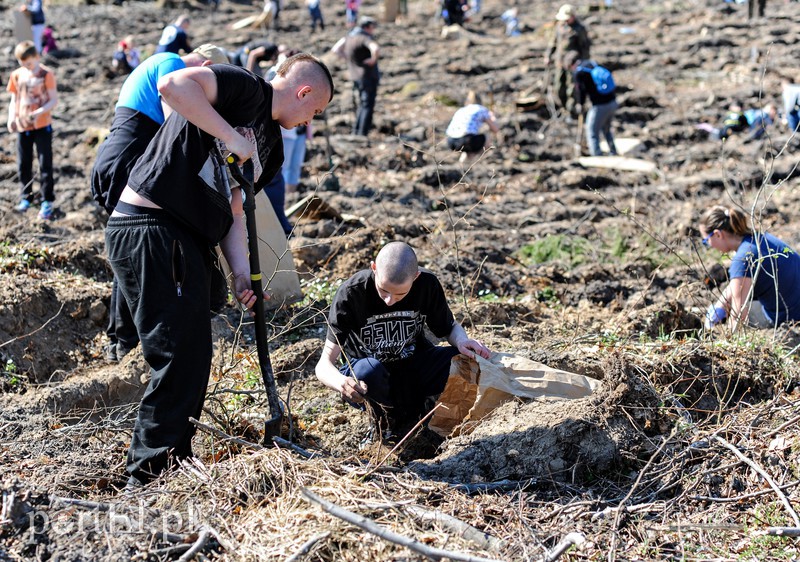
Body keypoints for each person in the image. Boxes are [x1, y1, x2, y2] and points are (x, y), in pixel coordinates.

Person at [106, 53, 333, 487]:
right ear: (303, 92)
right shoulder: (243, 87)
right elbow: (173, 86)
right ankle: (146, 476)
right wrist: (231, 136)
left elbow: (234, 207)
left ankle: (172, 461)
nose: (310, 121)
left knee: (194, 355)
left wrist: (241, 274)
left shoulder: (274, 147)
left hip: (187, 236)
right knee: (177, 354)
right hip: (150, 225)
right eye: (314, 111)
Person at [91, 44, 230, 363]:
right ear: (205, 67)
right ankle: (125, 340)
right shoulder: (170, 63)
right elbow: (179, 121)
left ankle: (121, 337)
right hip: (126, 165)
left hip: (120, 161)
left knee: (130, 253)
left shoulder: (157, 62)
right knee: (136, 250)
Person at [315, 241, 491, 440]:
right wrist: (341, 383)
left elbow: (448, 327)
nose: (389, 300)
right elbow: (323, 365)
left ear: (415, 278)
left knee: (466, 360)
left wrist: (462, 342)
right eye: (383, 291)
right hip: (371, 378)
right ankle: (384, 425)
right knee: (368, 371)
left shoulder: (426, 285)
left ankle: (430, 410)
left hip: (414, 365)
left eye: (400, 294)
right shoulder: (351, 293)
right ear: (374, 268)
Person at [700, 205, 800, 331]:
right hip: (795, 304)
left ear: (718, 234)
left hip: (790, 318)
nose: (709, 246)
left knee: (736, 311)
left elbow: (739, 314)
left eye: (706, 241)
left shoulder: (742, 259)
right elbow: (738, 282)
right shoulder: (757, 239)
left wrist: (727, 342)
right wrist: (720, 305)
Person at [7, 40, 58, 220]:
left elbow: (53, 100)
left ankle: (47, 200)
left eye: (29, 63)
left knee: (45, 164)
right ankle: (26, 197)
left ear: (36, 57)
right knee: (23, 163)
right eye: (23, 64)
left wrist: (39, 112)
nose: (27, 67)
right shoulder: (16, 75)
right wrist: (11, 118)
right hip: (23, 125)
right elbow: (15, 99)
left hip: (42, 125)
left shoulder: (46, 74)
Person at [331, 16, 380, 137]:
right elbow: (376, 48)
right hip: (367, 76)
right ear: (367, 27)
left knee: (362, 104)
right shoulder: (364, 37)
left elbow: (335, 49)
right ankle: (362, 134)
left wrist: (348, 59)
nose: (373, 30)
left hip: (355, 77)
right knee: (367, 105)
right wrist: (373, 59)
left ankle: (356, 131)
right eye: (372, 27)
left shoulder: (349, 37)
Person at [543, 4, 591, 117]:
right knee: (559, 87)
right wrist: (548, 55)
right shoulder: (559, 26)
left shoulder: (580, 29)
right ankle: (563, 107)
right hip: (559, 62)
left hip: (572, 64)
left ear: (572, 16)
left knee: (572, 88)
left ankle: (571, 111)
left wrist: (582, 63)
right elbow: (553, 42)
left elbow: (585, 48)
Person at [571, 57, 618, 156]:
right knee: (606, 129)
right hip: (613, 102)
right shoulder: (593, 63)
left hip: (600, 106)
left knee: (591, 131)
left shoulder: (579, 73)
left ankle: (596, 155)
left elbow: (580, 91)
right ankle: (613, 151)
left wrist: (580, 103)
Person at [445, 90, 500, 163]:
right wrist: (493, 118)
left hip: (451, 141)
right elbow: (495, 129)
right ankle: (472, 162)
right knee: (486, 137)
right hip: (466, 140)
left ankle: (462, 164)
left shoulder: (462, 109)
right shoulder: (481, 109)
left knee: (469, 144)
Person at [282, 122, 312, 194]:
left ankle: (291, 194)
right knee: (283, 166)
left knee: (297, 164)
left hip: (301, 134)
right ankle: (281, 192)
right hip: (286, 134)